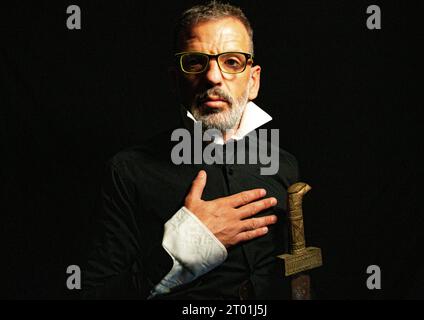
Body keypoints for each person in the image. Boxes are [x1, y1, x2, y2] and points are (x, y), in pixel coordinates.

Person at [83, 1, 299, 299]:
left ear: (253, 81)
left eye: (232, 62)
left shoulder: (284, 165)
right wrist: (185, 247)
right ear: (176, 80)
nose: (212, 77)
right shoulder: (127, 171)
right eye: (195, 62)